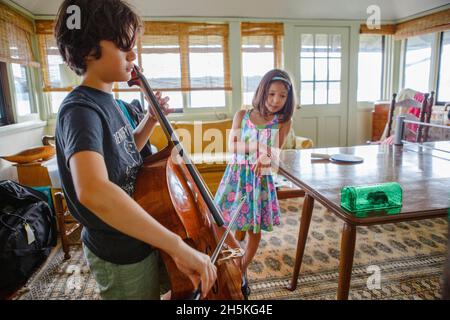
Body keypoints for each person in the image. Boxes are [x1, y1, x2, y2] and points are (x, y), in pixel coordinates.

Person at [54, 0, 216, 300]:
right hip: (119, 249)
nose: (133, 54)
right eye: (124, 46)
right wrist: (176, 245)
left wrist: (150, 121)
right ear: (89, 49)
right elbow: (93, 190)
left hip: (142, 232)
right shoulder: (79, 110)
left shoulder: (112, 103)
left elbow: (124, 154)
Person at [214, 69, 295, 297]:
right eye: (271, 94)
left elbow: (276, 153)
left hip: (260, 181)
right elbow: (233, 146)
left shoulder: (283, 121)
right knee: (222, 223)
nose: (275, 101)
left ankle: (241, 270)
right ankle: (228, 261)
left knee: (254, 230)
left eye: (282, 96)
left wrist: (267, 155)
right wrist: (259, 148)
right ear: (262, 91)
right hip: (237, 177)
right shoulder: (242, 115)